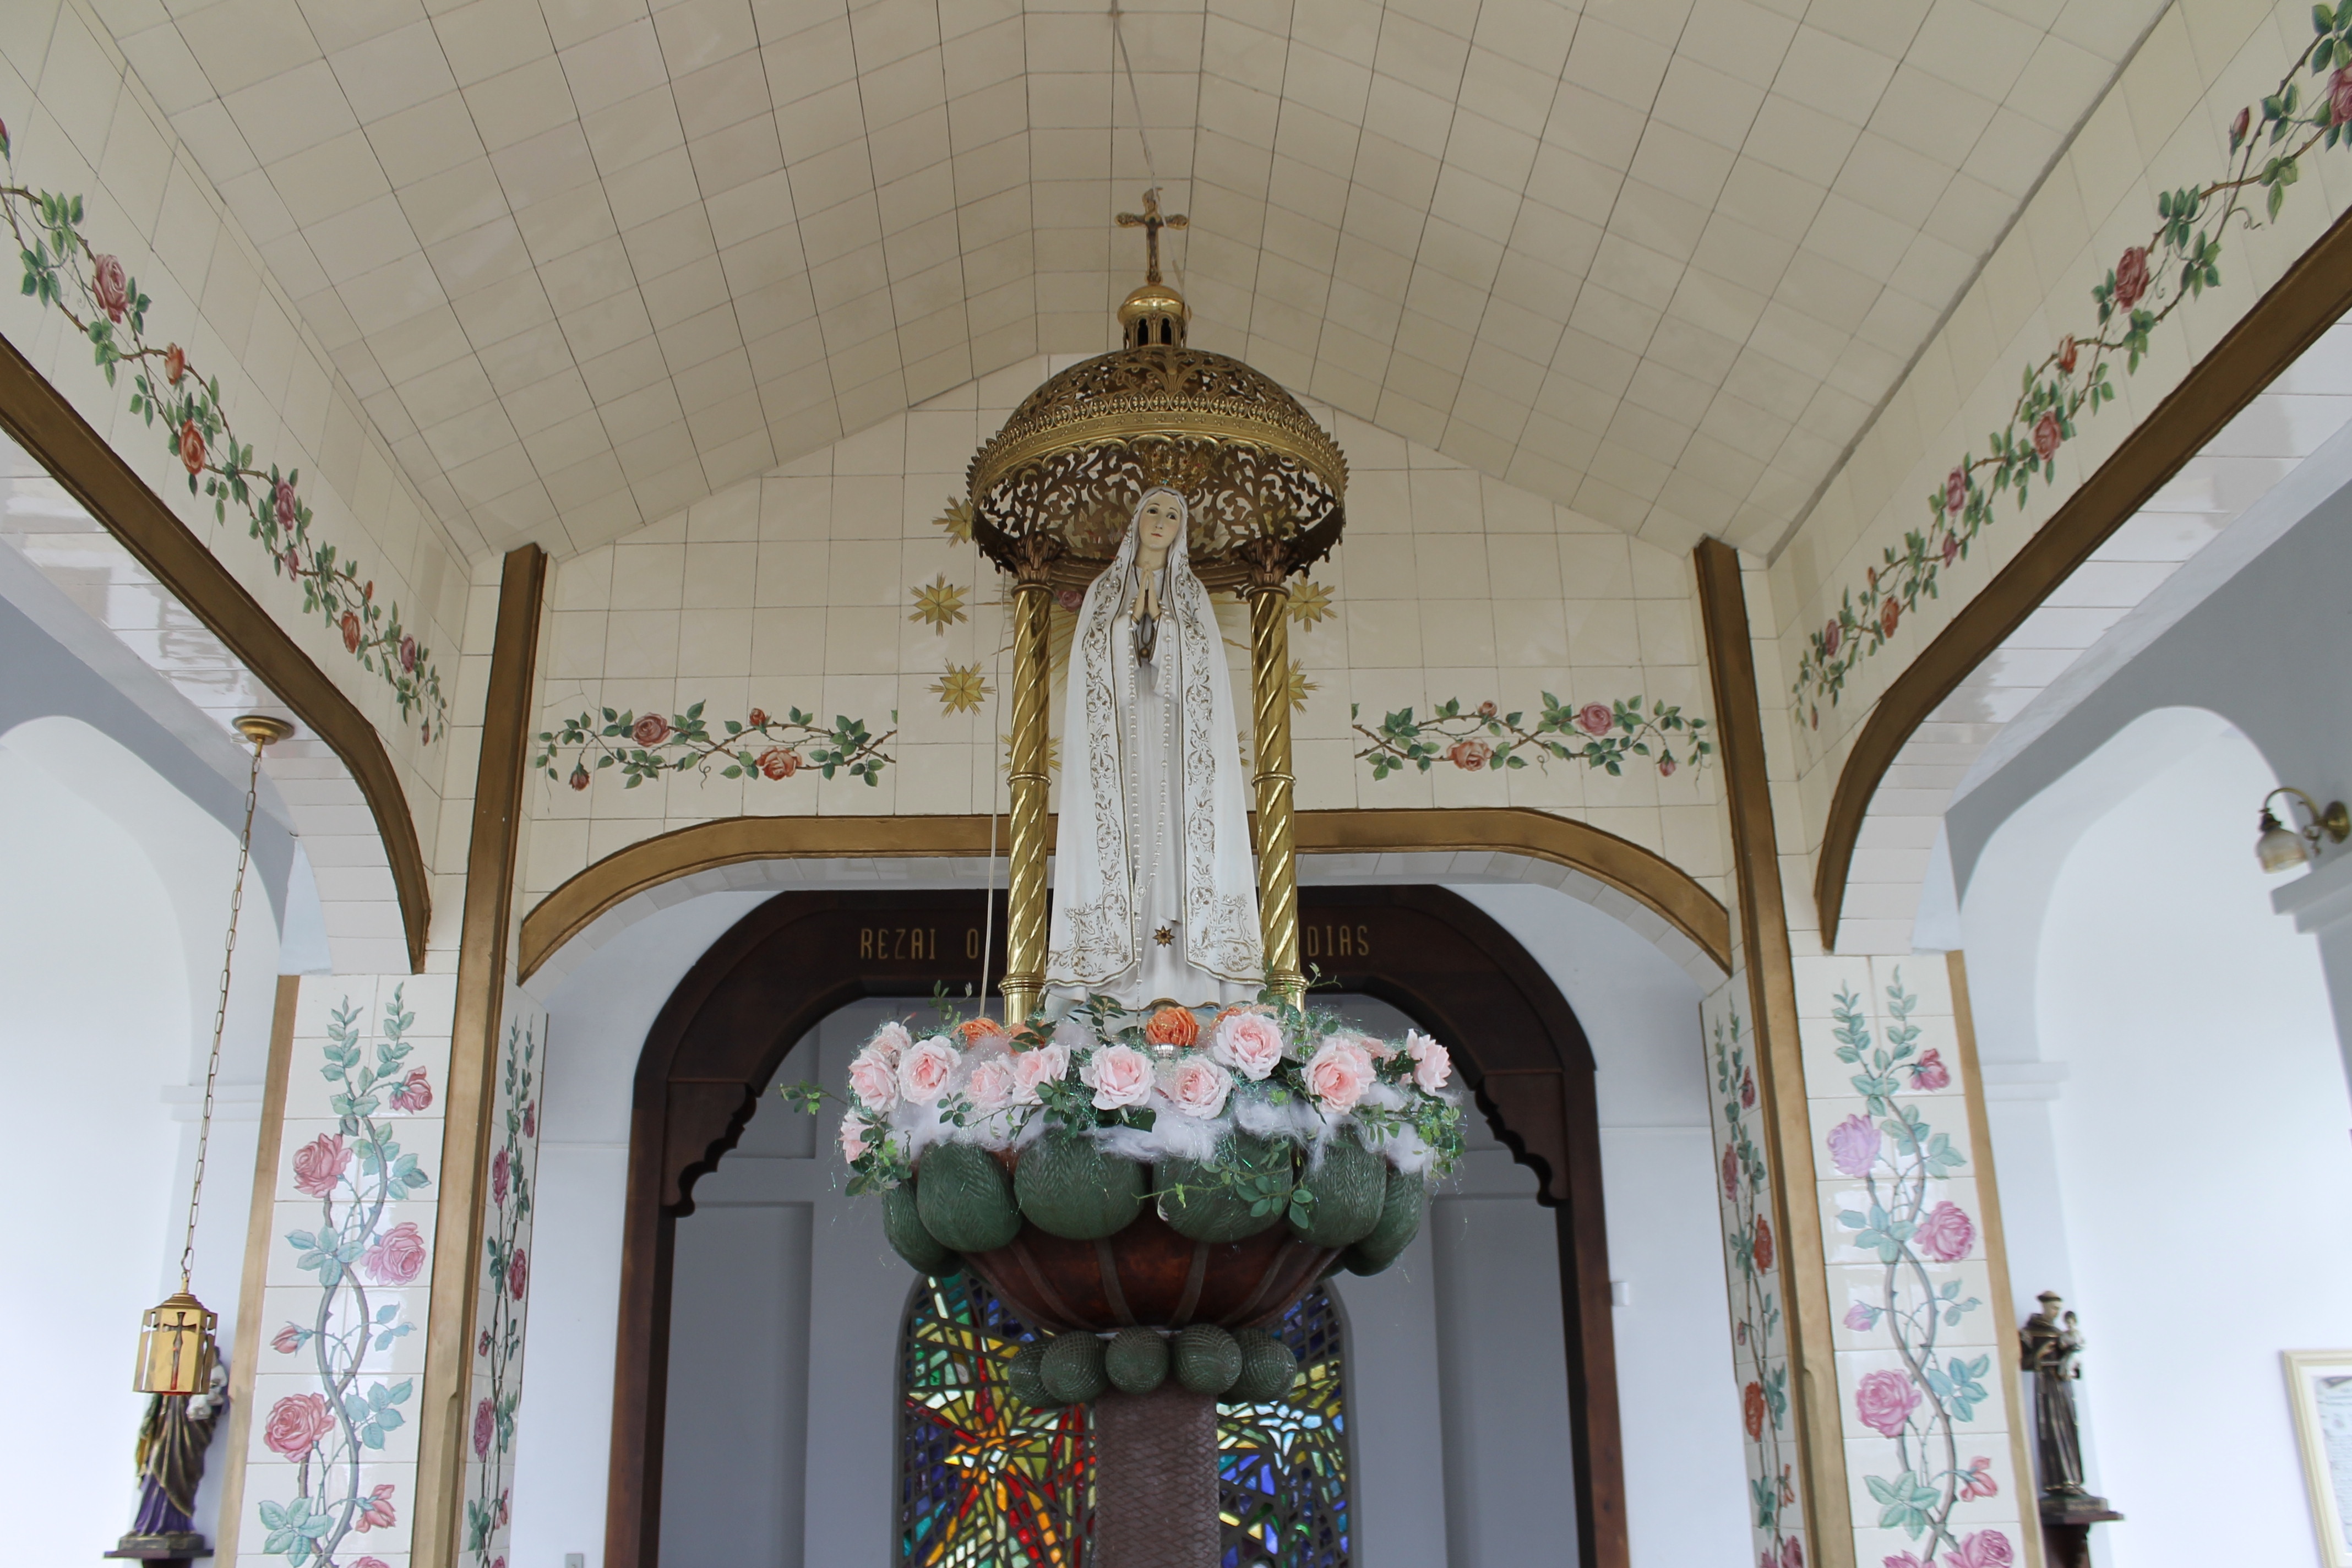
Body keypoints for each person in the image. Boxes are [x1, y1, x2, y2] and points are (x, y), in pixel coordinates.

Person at [1045, 487, 1262, 1012]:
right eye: (1153, 511)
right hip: (1121, 741)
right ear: (1136, 521)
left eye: (1172, 515)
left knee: (1174, 842)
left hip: (1177, 742)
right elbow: (1092, 657)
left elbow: (1204, 662)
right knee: (1123, 836)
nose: (1161, 522)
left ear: (1181, 531)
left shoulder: (1191, 594)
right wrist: (1128, 625)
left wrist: (1164, 626)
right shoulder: (1104, 591)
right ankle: (1111, 978)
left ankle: (1187, 978)